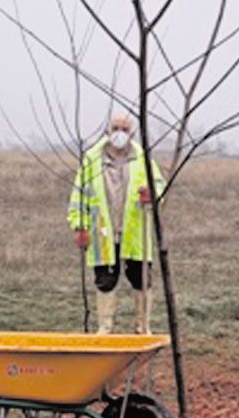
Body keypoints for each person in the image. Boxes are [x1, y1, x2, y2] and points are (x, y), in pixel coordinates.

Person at [68, 113, 166, 334]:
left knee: (141, 278)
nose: (119, 133)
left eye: (124, 128)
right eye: (115, 128)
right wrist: (79, 226)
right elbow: (79, 196)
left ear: (131, 133)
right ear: (107, 131)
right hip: (102, 231)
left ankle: (143, 327)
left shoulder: (143, 159)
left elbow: (160, 186)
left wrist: (153, 194)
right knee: (105, 280)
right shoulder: (92, 160)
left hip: (135, 231)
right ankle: (105, 328)